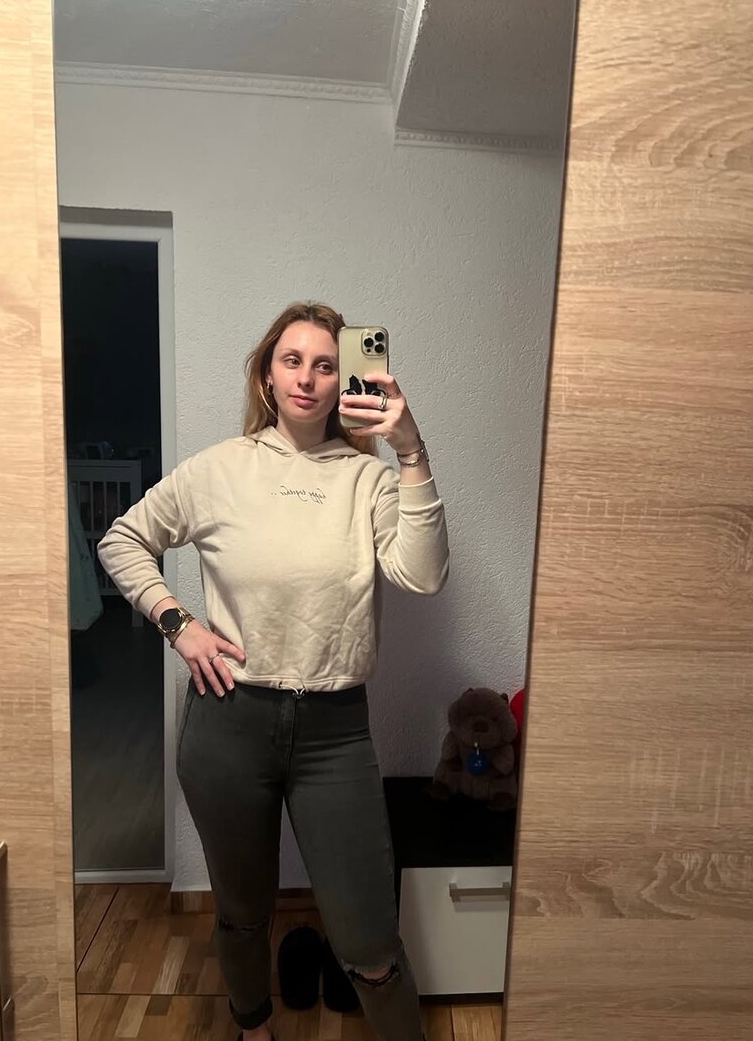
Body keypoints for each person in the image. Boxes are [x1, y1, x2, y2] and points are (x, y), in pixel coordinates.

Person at [98, 302, 448, 1041]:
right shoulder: (220, 469)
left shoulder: (369, 479)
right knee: (242, 912)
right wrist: (178, 623)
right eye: (293, 361)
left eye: (326, 365)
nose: (309, 378)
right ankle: (254, 1029)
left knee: (370, 942)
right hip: (229, 723)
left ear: (346, 380)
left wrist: (410, 450)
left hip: (334, 735)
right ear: (266, 373)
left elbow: (423, 576)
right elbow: (123, 539)